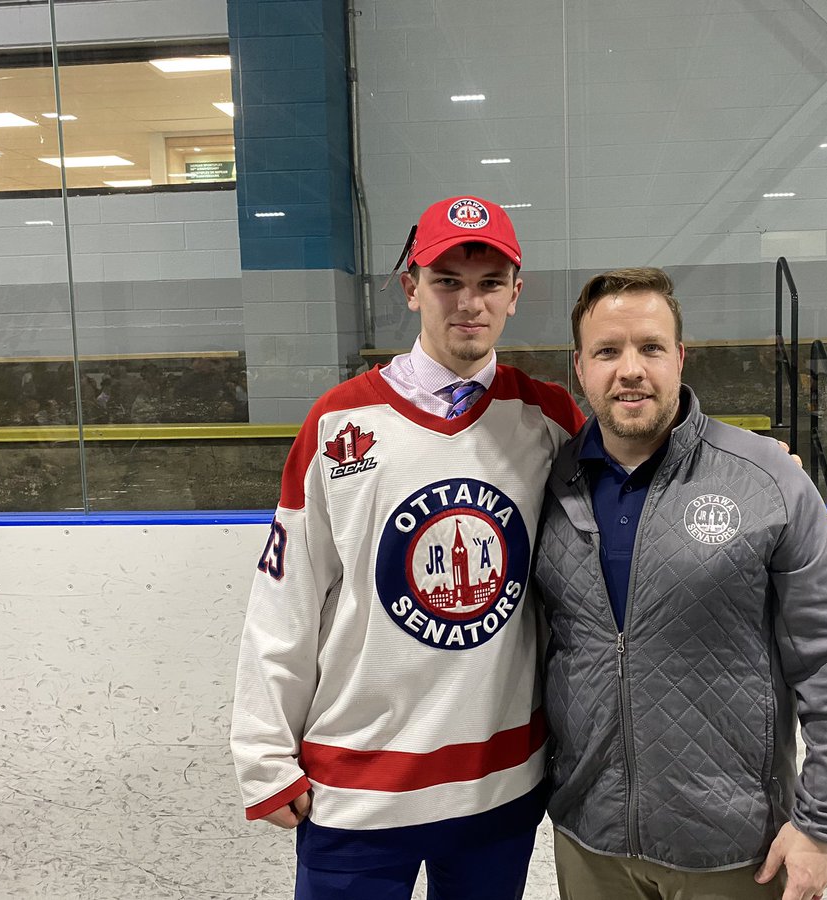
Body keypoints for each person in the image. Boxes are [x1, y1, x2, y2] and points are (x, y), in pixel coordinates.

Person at [230, 196, 584, 900]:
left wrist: (749, 460)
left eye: (488, 283)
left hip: (499, 785)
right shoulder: (339, 423)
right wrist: (265, 755)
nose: (468, 302)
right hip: (357, 789)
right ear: (411, 287)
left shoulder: (548, 417)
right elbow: (285, 597)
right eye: (447, 279)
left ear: (517, 293)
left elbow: (648, 465)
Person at [532, 267, 827, 900]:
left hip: (735, 848)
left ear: (680, 358)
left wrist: (821, 826)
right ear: (579, 367)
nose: (629, 369)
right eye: (607, 351)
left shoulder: (766, 480)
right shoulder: (546, 485)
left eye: (650, 348)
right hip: (590, 838)